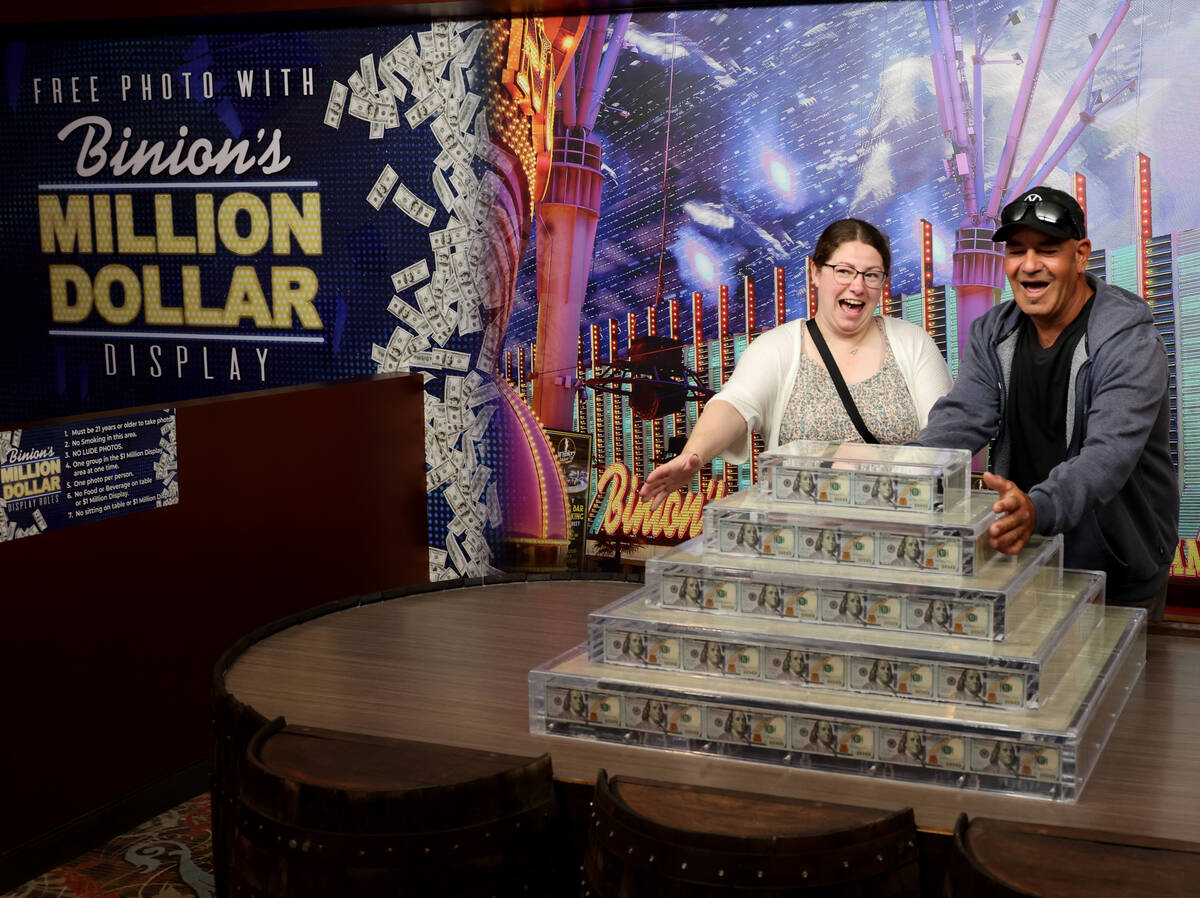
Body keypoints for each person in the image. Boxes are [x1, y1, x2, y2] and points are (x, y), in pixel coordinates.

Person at [916, 187, 1177, 620]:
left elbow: (1107, 456)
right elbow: (962, 419)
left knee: (1122, 687)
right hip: (1024, 557)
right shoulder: (992, 332)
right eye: (1016, 251)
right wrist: (899, 475)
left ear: (1080, 255)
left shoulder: (1129, 340)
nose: (1030, 265)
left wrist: (1038, 508)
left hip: (1118, 573)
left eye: (1048, 250)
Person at [640, 218, 953, 510]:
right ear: (815, 272)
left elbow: (945, 435)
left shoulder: (914, 344)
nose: (857, 286)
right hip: (796, 533)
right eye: (843, 271)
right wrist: (693, 455)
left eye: (871, 275)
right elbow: (734, 404)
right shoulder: (776, 347)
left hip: (898, 529)